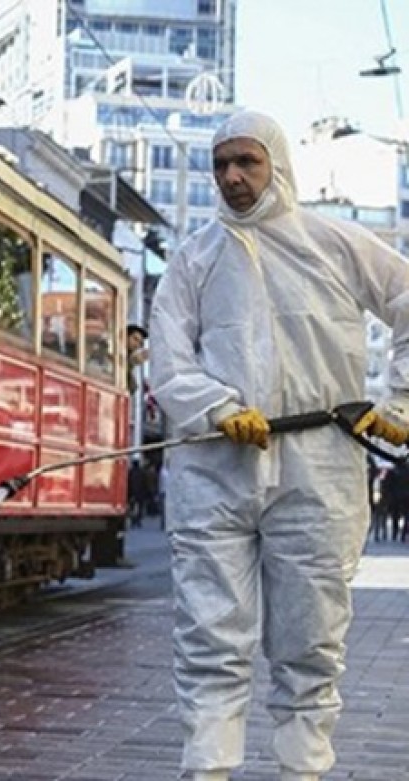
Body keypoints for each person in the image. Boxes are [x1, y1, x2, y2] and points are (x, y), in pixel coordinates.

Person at [148, 110, 409, 781]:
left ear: (277, 163)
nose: (233, 177)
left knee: (311, 638)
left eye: (247, 162)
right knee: (209, 634)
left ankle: (301, 772)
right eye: (222, 164)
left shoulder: (334, 243)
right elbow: (169, 358)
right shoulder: (193, 259)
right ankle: (206, 770)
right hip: (214, 469)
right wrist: (217, 406)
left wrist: (400, 401)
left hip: (319, 470)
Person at [125, 325, 149, 394]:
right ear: (125, 336)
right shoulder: (111, 350)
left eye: (140, 343)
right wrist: (131, 362)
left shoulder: (129, 359)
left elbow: (132, 388)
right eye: (135, 339)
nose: (137, 345)